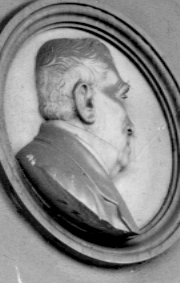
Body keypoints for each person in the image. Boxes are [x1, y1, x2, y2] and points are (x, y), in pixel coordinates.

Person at [16, 37, 138, 237]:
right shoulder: (53, 170)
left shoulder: (64, 167)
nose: (131, 127)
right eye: (120, 96)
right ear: (86, 101)